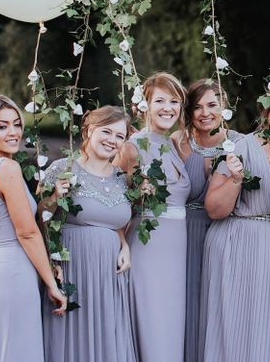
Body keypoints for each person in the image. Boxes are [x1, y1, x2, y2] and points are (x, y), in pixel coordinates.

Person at [199, 83, 270, 362]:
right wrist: (236, 180)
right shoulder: (242, 146)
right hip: (239, 243)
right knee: (236, 327)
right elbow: (214, 209)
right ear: (267, 112)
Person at [0, 93, 66, 362]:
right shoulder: (7, 168)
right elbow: (27, 232)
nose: (13, 132)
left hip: (1, 273)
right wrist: (51, 284)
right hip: (15, 278)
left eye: (17, 124)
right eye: (2, 126)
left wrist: (53, 198)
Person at [40, 106, 136, 362]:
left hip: (108, 277)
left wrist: (123, 243)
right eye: (107, 131)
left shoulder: (120, 178)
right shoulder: (63, 168)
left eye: (119, 136)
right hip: (74, 269)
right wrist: (54, 197)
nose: (112, 140)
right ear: (89, 130)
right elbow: (39, 220)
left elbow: (113, 220)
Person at [116, 71, 191, 362]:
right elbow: (115, 204)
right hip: (148, 249)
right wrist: (122, 244)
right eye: (160, 100)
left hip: (175, 253)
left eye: (174, 101)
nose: (168, 108)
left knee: (171, 326)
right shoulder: (132, 147)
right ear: (144, 105)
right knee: (153, 326)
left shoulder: (171, 144)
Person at [172, 79, 242, 362]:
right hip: (181, 233)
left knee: (215, 306)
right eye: (197, 107)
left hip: (222, 232)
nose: (205, 113)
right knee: (184, 303)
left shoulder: (237, 143)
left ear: (224, 107)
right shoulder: (177, 142)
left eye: (212, 105)